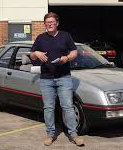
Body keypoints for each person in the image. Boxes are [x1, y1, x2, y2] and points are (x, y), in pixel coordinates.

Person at [30, 12, 84, 146]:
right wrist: (36, 53)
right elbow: (32, 56)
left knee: (67, 107)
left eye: (52, 22)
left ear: (57, 23)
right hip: (46, 79)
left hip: (63, 77)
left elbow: (74, 52)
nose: (49, 24)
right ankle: (50, 134)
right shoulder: (40, 38)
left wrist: (66, 58)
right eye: (47, 23)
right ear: (44, 24)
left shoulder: (65, 36)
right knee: (48, 108)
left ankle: (73, 134)